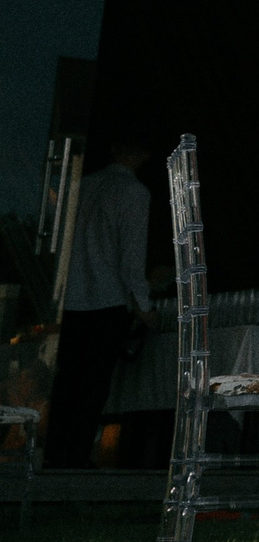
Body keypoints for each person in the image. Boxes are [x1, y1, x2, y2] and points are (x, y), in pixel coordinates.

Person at [46, 138, 155, 469]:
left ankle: (54, 452)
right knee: (92, 386)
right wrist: (144, 307)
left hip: (72, 298)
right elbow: (131, 258)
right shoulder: (134, 193)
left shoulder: (83, 186)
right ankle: (75, 457)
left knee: (67, 381)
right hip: (106, 300)